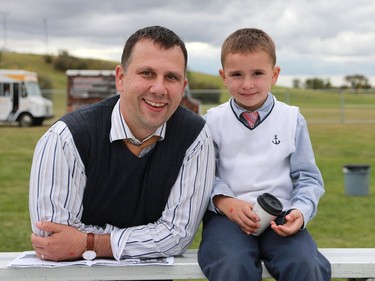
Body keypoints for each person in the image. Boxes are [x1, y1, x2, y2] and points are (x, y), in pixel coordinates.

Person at [29, 26, 215, 265]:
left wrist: (88, 242)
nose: (159, 89)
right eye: (147, 73)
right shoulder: (66, 137)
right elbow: (53, 238)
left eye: (171, 77)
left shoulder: (195, 137)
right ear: (121, 78)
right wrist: (145, 238)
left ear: (183, 85)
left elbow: (177, 235)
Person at [197, 28, 331, 281]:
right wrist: (226, 202)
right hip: (229, 217)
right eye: (237, 74)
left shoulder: (292, 119)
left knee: (305, 263)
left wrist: (300, 213)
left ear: (275, 74)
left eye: (258, 73)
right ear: (223, 76)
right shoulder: (212, 122)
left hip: (281, 216)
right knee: (231, 264)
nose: (247, 84)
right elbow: (203, 176)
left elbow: (308, 178)